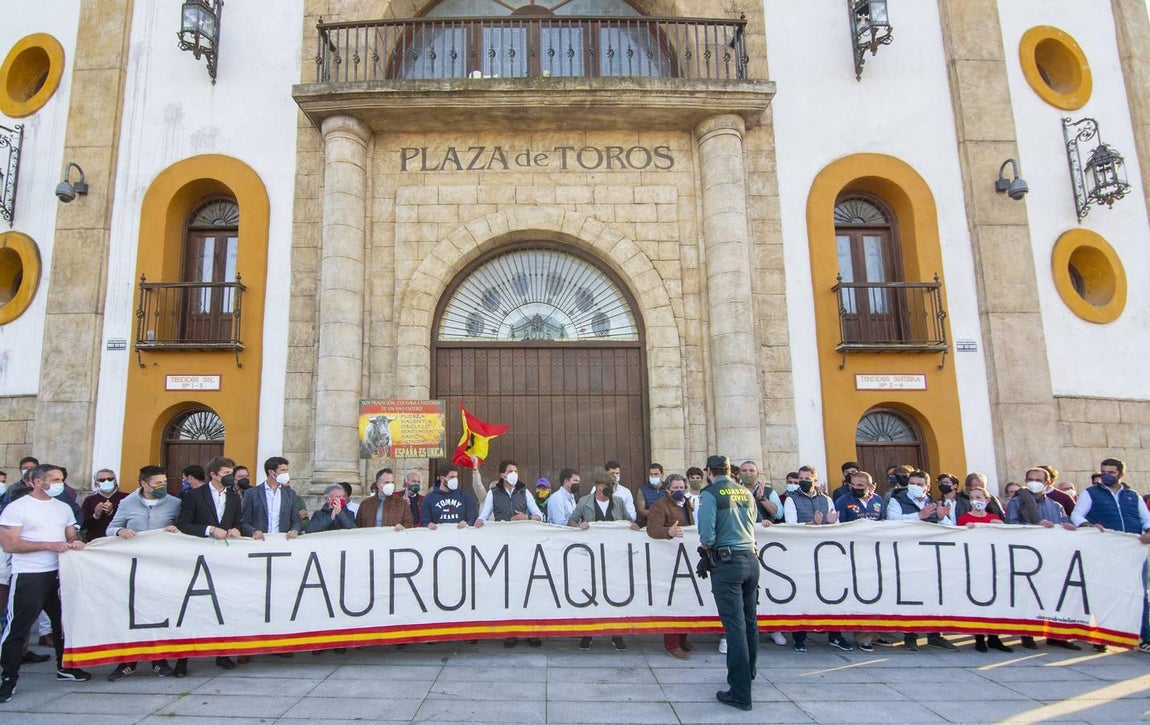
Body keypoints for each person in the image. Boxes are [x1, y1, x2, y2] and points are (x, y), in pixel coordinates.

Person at [0, 464, 91, 704]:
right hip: (29, 574)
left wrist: (75, 541)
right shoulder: (16, 508)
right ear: (37, 482)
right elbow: (10, 545)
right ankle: (8, 678)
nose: (59, 483)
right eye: (54, 479)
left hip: (60, 572)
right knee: (18, 628)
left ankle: (65, 667)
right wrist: (49, 545)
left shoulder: (63, 508)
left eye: (61, 479)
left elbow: (71, 534)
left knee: (63, 623)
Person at [104, 466, 182, 681]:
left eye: (164, 482)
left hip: (162, 566)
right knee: (132, 613)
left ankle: (159, 660)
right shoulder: (127, 503)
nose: (162, 486)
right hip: (134, 567)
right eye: (157, 483)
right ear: (144, 484)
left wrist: (177, 530)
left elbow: (183, 527)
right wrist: (120, 531)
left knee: (159, 612)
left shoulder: (174, 503)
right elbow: (110, 528)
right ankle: (128, 661)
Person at [1070, 457, 1150, 653]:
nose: (1106, 475)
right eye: (1104, 471)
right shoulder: (1091, 493)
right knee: (1105, 591)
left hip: (1133, 550)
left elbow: (1145, 518)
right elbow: (1077, 515)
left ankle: (1145, 636)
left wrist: (1148, 532)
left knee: (1139, 593)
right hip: (1107, 548)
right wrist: (1088, 525)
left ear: (1121, 474)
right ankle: (1101, 636)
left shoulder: (1132, 495)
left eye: (1111, 472)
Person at [698, 455, 758, 712]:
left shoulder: (710, 493)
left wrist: (707, 547)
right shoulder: (745, 491)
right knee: (749, 622)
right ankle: (748, 674)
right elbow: (752, 523)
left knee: (734, 627)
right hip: (751, 560)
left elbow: (707, 534)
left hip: (727, 563)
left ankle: (740, 692)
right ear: (730, 470)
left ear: (708, 471)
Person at [174, 456, 242, 675]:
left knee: (222, 605)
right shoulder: (193, 495)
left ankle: (222, 653)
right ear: (213, 474)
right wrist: (209, 529)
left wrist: (236, 530)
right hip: (197, 556)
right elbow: (183, 524)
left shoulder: (233, 497)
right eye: (225, 473)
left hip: (223, 558)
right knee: (192, 607)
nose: (229, 477)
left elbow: (236, 522)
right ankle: (182, 659)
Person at [885, 470, 958, 652]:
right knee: (911, 595)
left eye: (919, 484)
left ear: (927, 487)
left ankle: (935, 634)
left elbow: (949, 528)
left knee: (933, 594)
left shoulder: (933, 503)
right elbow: (892, 521)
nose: (915, 487)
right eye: (913, 483)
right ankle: (911, 636)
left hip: (930, 556)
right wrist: (919, 517)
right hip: (906, 554)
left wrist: (942, 518)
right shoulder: (897, 500)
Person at [569, 469, 637, 652]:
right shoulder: (584, 502)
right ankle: (588, 634)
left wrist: (632, 526)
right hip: (590, 556)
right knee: (590, 594)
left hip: (614, 554)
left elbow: (629, 522)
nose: (611, 488)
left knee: (615, 593)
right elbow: (571, 521)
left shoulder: (619, 502)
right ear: (598, 486)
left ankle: (617, 634)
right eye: (608, 485)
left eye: (613, 485)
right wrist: (578, 527)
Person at [783, 466, 849, 653]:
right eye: (801, 477)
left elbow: (834, 523)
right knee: (802, 594)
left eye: (808, 477)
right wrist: (812, 524)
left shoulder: (826, 499)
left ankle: (834, 635)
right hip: (801, 553)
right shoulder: (791, 499)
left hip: (826, 553)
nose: (805, 480)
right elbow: (790, 525)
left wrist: (829, 522)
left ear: (815, 479)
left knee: (831, 594)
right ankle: (799, 637)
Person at [955, 488, 1012, 653]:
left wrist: (1002, 528)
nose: (975, 500)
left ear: (987, 500)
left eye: (978, 497)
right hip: (975, 565)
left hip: (993, 564)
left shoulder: (994, 519)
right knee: (979, 600)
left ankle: (994, 637)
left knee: (996, 600)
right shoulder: (964, 519)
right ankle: (979, 637)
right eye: (972, 498)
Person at [645, 474, 695, 659]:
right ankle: (672, 643)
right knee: (673, 602)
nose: (679, 490)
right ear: (667, 490)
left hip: (685, 558)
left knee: (686, 602)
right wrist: (669, 531)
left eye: (682, 486)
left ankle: (683, 638)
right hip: (668, 560)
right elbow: (652, 529)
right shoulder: (660, 505)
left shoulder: (687, 504)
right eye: (675, 488)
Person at [240, 457, 302, 541]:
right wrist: (253, 531)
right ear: (271, 473)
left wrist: (294, 530)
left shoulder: (290, 494)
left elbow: (296, 520)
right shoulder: (252, 493)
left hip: (283, 541)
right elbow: (244, 521)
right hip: (259, 542)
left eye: (287, 470)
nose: (286, 473)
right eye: (283, 470)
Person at [475, 460, 542, 526]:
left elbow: (539, 516)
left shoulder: (524, 491)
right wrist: (479, 521)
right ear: (502, 475)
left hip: (521, 534)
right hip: (502, 534)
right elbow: (483, 516)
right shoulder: (493, 493)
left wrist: (527, 517)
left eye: (516, 471)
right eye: (510, 471)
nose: (514, 474)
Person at [421, 464, 478, 529]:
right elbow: (424, 522)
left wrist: (467, 523)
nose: (455, 479)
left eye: (456, 477)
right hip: (438, 537)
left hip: (461, 536)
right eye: (452, 477)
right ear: (442, 478)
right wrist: (429, 525)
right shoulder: (429, 499)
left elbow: (473, 517)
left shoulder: (464, 496)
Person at [81, 468, 127, 540]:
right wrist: (96, 515)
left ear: (115, 481)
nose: (106, 482)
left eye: (110, 479)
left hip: (120, 540)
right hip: (96, 541)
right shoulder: (89, 500)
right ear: (96, 483)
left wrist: (111, 512)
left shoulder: (126, 498)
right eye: (102, 480)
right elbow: (82, 525)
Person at [635, 463, 665, 527]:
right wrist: (657, 514)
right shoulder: (642, 490)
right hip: (649, 523)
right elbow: (641, 510)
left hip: (667, 523)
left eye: (656, 474)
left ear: (662, 475)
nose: (653, 476)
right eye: (651, 474)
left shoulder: (668, 488)